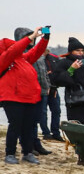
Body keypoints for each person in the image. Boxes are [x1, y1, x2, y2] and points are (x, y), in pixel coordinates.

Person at [1, 26, 51, 164]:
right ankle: (10, 154)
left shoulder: (22, 59)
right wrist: (31, 37)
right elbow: (14, 50)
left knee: (28, 126)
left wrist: (45, 38)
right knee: (15, 125)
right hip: (12, 98)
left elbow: (37, 51)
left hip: (29, 98)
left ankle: (27, 152)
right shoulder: (5, 59)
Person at [48, 38, 84, 135]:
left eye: (82, 50)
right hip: (75, 102)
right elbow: (57, 80)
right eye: (77, 50)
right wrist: (72, 69)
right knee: (77, 132)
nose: (80, 53)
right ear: (71, 51)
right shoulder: (64, 63)